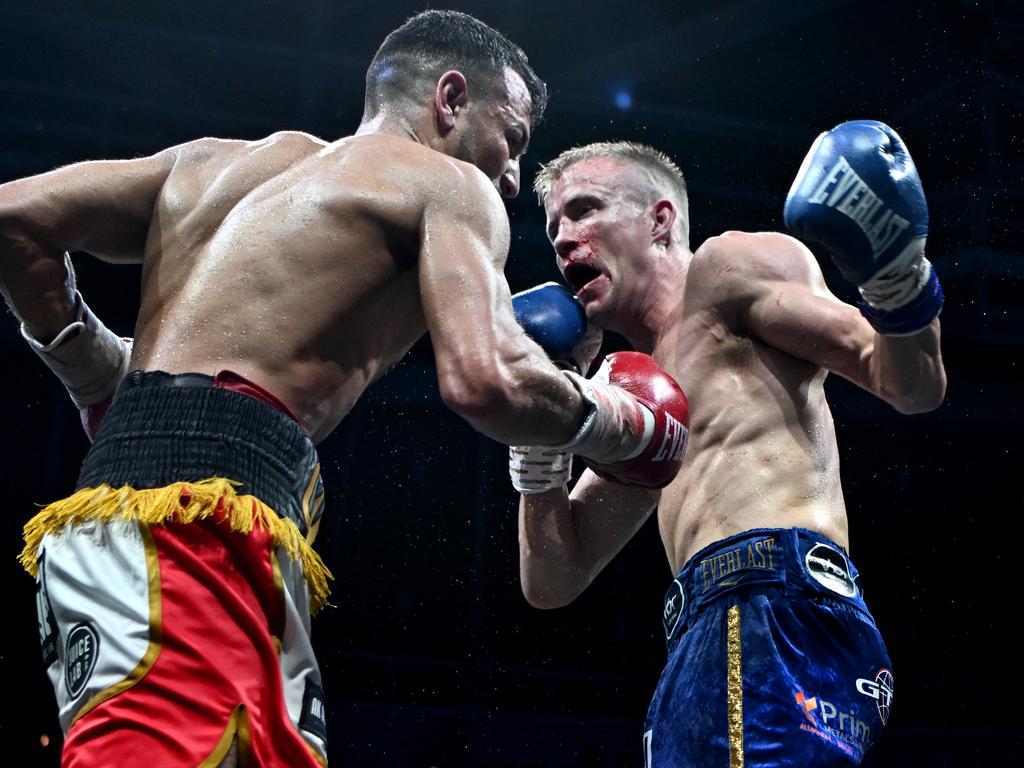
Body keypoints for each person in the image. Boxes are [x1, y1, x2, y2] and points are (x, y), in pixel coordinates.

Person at [0, 10, 688, 767]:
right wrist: (626, 426)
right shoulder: (448, 185)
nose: (515, 177)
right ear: (450, 100)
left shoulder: (214, 166)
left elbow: (14, 223)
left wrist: (94, 369)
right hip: (194, 525)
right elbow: (483, 380)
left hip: (206, 518)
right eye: (513, 140)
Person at [509, 123, 946, 766]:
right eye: (553, 231)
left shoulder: (723, 272)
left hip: (772, 606)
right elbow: (553, 578)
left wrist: (896, 275)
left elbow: (907, 380)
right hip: (702, 636)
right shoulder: (638, 397)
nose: (565, 240)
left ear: (661, 221)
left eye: (584, 211)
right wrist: (540, 436)